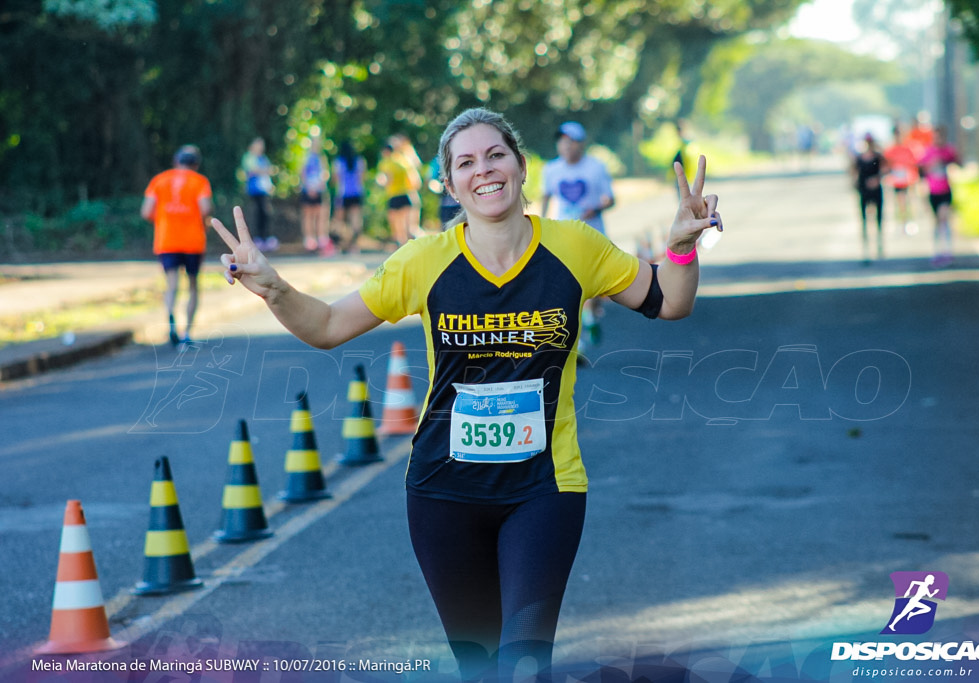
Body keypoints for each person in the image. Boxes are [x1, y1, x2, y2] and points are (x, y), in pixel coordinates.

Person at [211, 107, 722, 682]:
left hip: (544, 490)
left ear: (523, 166)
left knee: (525, 662)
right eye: (466, 162)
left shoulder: (576, 247)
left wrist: (680, 247)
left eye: (496, 154)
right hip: (442, 495)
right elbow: (327, 326)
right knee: (479, 668)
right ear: (450, 184)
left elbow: (669, 301)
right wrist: (275, 289)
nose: (484, 170)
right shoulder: (424, 260)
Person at [540, 121, 616, 353]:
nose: (565, 146)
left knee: (592, 283)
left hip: (592, 233)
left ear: (581, 144)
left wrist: (595, 209)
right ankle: (578, 335)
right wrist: (540, 224)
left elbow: (610, 198)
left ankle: (591, 318)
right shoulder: (551, 169)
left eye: (571, 141)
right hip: (565, 235)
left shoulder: (595, 167)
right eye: (562, 141)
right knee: (572, 284)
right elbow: (545, 197)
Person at [141, 145, 213, 347]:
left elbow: (146, 211)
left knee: (172, 284)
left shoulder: (159, 180)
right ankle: (187, 332)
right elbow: (205, 208)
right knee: (192, 285)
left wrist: (164, 219)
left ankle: (171, 321)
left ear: (176, 161)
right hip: (193, 241)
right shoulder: (200, 182)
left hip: (167, 240)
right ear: (196, 164)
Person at [917, 126, 960, 267]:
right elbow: (920, 169)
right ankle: (937, 251)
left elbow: (958, 163)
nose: (938, 139)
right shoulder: (928, 151)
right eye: (935, 137)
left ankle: (947, 251)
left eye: (940, 137)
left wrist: (948, 162)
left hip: (946, 190)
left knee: (944, 218)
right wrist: (931, 165)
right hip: (933, 191)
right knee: (936, 222)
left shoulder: (948, 150)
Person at [851, 133, 888, 262]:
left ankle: (879, 245)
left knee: (878, 218)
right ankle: (866, 248)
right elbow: (854, 172)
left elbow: (885, 169)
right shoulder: (859, 158)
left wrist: (877, 179)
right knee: (864, 220)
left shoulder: (878, 157)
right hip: (864, 191)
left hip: (876, 190)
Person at [241, 137, 277, 252]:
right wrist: (264, 170)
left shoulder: (263, 158)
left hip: (264, 191)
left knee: (266, 214)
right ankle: (258, 238)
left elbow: (267, 173)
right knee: (257, 214)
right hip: (254, 191)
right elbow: (253, 170)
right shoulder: (249, 157)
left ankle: (267, 238)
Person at [884, 123, 920, 235]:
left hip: (908, 180)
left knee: (910, 201)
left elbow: (914, 163)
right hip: (896, 181)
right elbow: (886, 166)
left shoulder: (908, 148)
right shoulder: (890, 150)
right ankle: (900, 223)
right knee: (899, 202)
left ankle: (911, 222)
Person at [331, 140, 367, 253]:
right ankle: (354, 245)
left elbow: (335, 179)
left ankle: (339, 244)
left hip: (343, 193)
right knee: (355, 220)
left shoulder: (338, 162)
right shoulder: (359, 161)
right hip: (357, 193)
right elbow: (362, 178)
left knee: (339, 220)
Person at [300, 136, 333, 256]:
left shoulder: (321, 158)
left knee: (321, 215)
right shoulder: (306, 157)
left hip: (319, 190)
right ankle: (309, 239)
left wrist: (320, 184)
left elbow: (325, 173)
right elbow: (302, 173)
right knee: (308, 215)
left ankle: (321, 239)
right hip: (308, 190)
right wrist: (309, 187)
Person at [377, 143, 415, 246]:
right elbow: (411, 178)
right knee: (406, 224)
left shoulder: (386, 163)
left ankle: (400, 244)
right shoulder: (403, 160)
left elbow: (387, 179)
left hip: (393, 195)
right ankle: (409, 245)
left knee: (396, 226)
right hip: (405, 194)